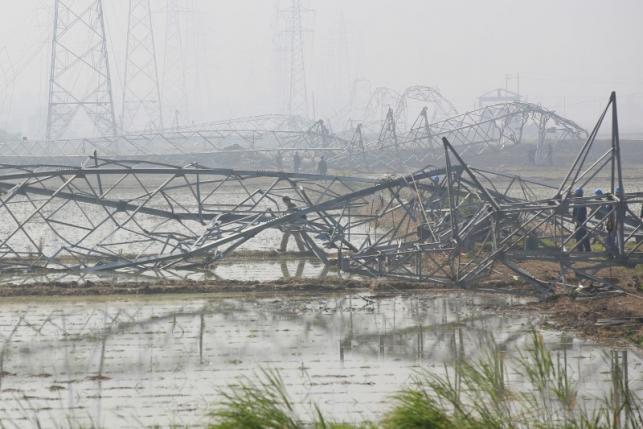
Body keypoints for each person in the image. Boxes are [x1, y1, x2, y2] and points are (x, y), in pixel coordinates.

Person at [572, 188, 591, 252]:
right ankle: (586, 249)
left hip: (580, 221)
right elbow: (576, 211)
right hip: (582, 220)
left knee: (579, 235)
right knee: (583, 234)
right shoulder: (579, 201)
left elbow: (579, 212)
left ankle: (580, 249)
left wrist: (575, 219)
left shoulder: (579, 202)